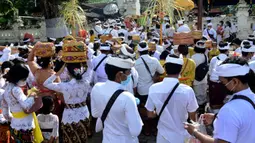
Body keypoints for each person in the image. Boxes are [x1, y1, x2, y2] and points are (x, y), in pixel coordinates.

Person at [185, 56, 255, 143]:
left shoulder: (229, 110)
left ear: (235, 82)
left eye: (222, 82)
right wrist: (216, 118)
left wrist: (195, 132)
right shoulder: (252, 98)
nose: (219, 86)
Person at [145, 54, 198, 143]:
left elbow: (150, 114)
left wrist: (159, 112)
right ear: (180, 69)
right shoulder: (187, 90)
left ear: (165, 69)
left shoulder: (153, 88)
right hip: (182, 135)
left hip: (163, 135)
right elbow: (193, 116)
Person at [91, 55, 143, 143]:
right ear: (119, 74)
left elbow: (95, 114)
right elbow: (135, 131)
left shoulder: (97, 87)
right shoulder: (127, 97)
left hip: (107, 139)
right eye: (128, 72)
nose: (130, 74)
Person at [43, 62, 92, 143]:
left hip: (69, 116)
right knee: (82, 139)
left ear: (68, 72)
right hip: (84, 114)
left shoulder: (64, 86)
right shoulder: (86, 82)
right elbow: (90, 68)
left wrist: (58, 73)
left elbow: (46, 83)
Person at [1, 64, 43, 143]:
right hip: (25, 124)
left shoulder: (6, 90)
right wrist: (32, 95)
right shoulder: (16, 89)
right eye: (24, 78)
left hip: (15, 124)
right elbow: (26, 105)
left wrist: (14, 118)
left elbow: (5, 113)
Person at [135, 41, 164, 135]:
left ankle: (147, 129)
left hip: (141, 90)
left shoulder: (135, 63)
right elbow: (162, 71)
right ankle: (155, 129)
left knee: (144, 110)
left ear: (138, 52)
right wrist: (155, 75)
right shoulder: (154, 60)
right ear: (148, 50)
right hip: (153, 89)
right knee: (154, 109)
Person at [208, 42, 229, 113]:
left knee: (214, 100)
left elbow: (210, 72)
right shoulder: (229, 59)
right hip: (225, 83)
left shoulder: (214, 59)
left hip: (213, 82)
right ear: (227, 50)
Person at [191, 41, 208, 115]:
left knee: (196, 95)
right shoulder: (205, 57)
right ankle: (202, 110)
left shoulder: (193, 57)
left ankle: (197, 112)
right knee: (203, 95)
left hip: (195, 79)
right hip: (204, 79)